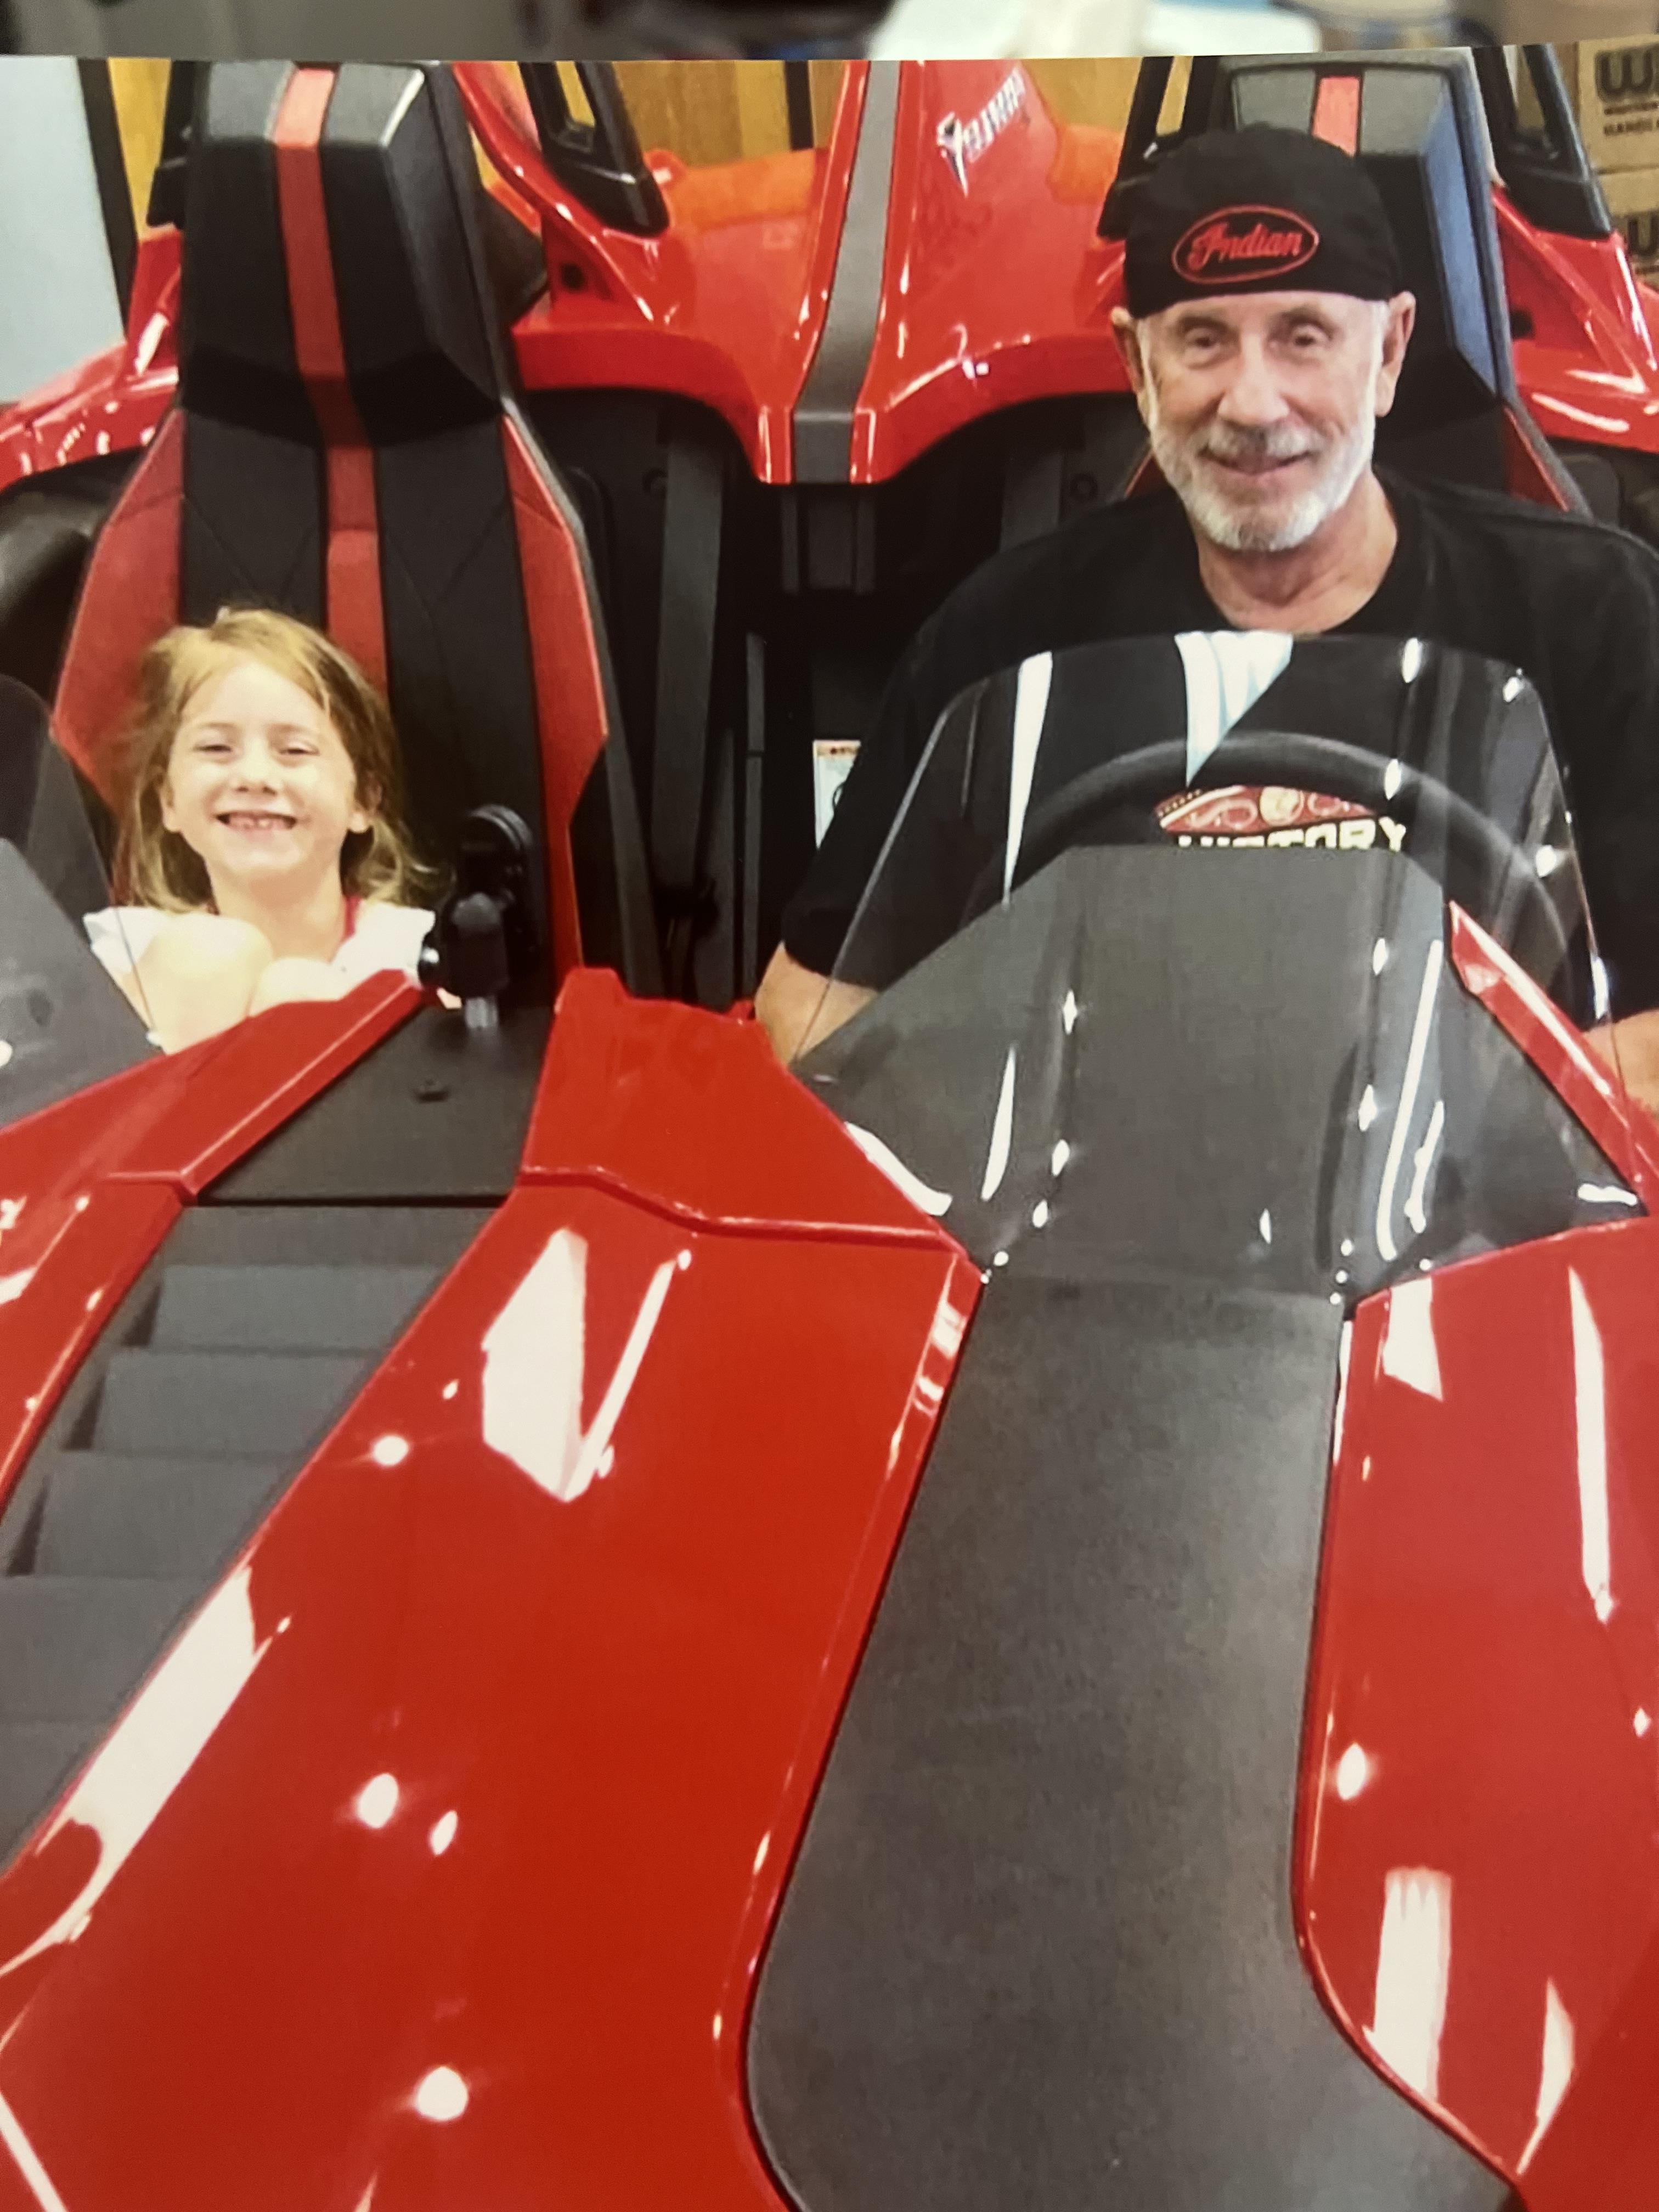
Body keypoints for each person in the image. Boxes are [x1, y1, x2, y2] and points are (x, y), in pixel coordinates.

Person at [756, 123, 1659, 1094]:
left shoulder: (1590, 617)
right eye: (1201, 340)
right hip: (1074, 1210)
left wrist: (1467, 1129)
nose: (1252, 401)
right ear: (1135, 367)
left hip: (1481, 1221)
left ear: (1389, 349)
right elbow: (804, 1015)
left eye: (1301, 337)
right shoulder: (999, 634)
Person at [87, 607, 434, 1054]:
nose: (254, 776)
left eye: (294, 750)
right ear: (168, 799)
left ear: (364, 801)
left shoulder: (410, 954)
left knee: (300, 992)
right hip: (165, 1108)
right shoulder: (131, 956)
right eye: (216, 748)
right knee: (209, 958)